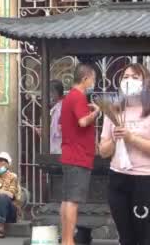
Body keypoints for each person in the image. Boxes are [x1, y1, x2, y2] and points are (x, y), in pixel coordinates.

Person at [99, 63, 150, 245]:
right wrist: (115, 139)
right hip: (118, 178)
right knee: (125, 237)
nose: (129, 81)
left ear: (145, 82)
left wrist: (132, 138)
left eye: (135, 77)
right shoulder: (113, 112)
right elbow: (103, 151)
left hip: (145, 180)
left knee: (144, 236)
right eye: (125, 77)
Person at [60, 63, 100, 245]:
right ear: (85, 79)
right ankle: (69, 240)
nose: (93, 83)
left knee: (67, 200)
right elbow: (83, 122)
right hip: (77, 156)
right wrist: (97, 113)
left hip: (71, 154)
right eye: (93, 79)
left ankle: (66, 239)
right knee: (72, 201)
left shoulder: (70, 97)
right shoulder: (77, 97)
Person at [50, 80, 65, 154]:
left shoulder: (61, 107)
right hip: (56, 147)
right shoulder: (57, 107)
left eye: (50, 92)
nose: (49, 95)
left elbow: (59, 129)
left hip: (59, 148)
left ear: (55, 92)